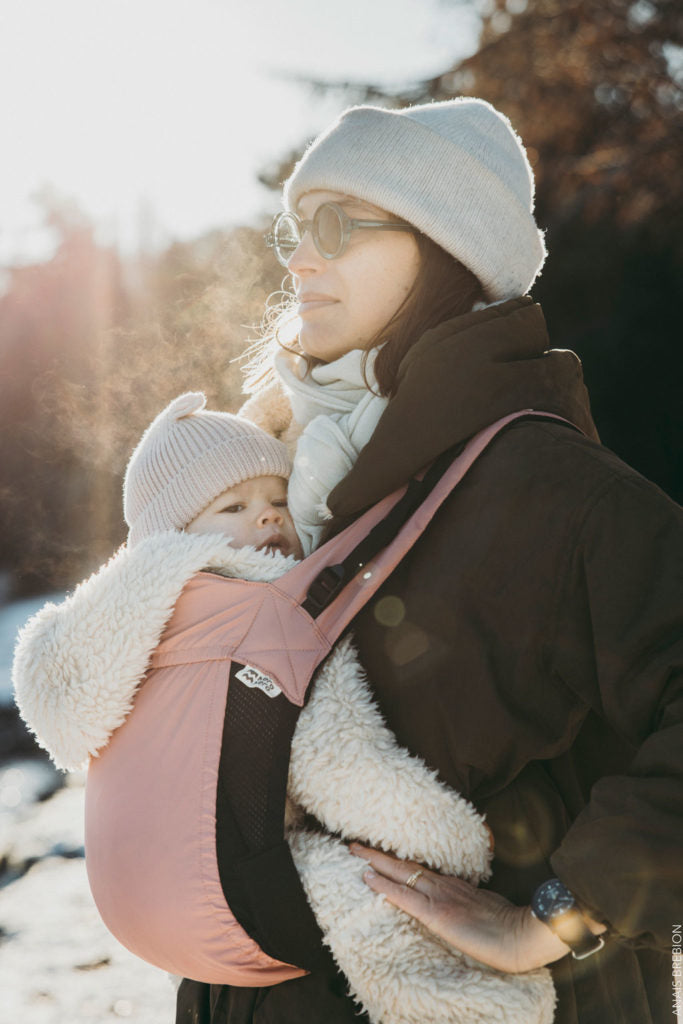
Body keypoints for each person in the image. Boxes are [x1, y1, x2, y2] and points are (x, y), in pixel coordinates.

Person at [203, 97, 681, 1023]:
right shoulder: (274, 480)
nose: (300, 258)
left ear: (442, 249)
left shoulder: (559, 490)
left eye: (337, 226)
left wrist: (559, 918)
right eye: (293, 229)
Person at [13, 392, 556, 1024]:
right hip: (239, 897)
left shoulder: (117, 623)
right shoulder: (264, 614)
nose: (268, 521)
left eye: (277, 501)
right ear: (176, 529)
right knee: (387, 901)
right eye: (234, 507)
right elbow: (343, 764)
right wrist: (461, 846)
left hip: (139, 907)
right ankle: (491, 1009)